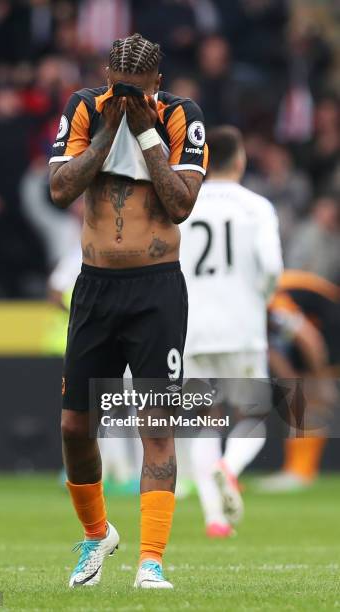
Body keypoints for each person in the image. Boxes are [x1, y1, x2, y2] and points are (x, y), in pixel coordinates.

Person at [49, 33, 207, 588]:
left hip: (156, 290)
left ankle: (151, 561)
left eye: (137, 93)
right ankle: (96, 536)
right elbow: (60, 189)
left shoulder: (181, 116)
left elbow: (182, 204)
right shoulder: (86, 109)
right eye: (119, 90)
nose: (126, 99)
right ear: (103, 75)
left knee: (156, 425)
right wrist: (107, 133)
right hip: (95, 288)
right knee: (74, 425)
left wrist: (142, 130)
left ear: (157, 85)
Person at [179, 126, 283, 537]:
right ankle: (231, 466)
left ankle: (216, 519)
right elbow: (272, 267)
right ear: (239, 160)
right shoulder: (256, 206)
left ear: (203, 161)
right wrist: (261, 297)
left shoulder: (183, 205)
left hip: (194, 328)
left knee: (205, 420)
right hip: (242, 327)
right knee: (254, 415)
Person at [259, 270, 340, 492]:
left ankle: (302, 471)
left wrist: (322, 380)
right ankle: (297, 469)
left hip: (329, 321)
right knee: (298, 396)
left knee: (314, 397)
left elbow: (309, 339)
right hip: (311, 326)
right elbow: (270, 350)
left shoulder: (271, 298)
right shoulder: (255, 310)